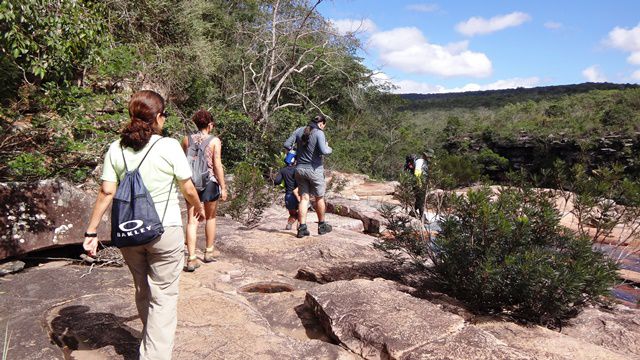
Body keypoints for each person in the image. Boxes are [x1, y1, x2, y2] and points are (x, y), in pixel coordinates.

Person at [83, 90, 205, 360]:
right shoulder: (169, 146)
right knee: (163, 296)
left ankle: (151, 342)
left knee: (142, 289)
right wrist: (197, 207)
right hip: (165, 231)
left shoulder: (116, 149)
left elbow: (106, 193)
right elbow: (187, 186)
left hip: (129, 233)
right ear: (159, 118)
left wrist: (91, 232)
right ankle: (153, 355)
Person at [181, 109, 228, 272]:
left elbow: (183, 162)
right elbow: (217, 165)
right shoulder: (214, 141)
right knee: (210, 217)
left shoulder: (186, 140)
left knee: (191, 221)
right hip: (210, 182)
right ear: (209, 125)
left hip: (191, 184)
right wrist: (223, 187)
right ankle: (208, 251)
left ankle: (191, 258)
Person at [284, 114, 332, 238]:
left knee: (304, 198)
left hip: (299, 169)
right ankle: (322, 226)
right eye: (324, 126)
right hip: (315, 170)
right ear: (321, 124)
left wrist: (295, 152)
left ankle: (302, 228)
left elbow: (286, 144)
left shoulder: (299, 130)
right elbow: (323, 151)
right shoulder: (319, 133)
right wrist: (329, 147)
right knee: (319, 198)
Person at [274, 156, 301, 230]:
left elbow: (277, 181)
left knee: (293, 213)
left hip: (288, 196)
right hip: (298, 194)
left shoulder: (283, 170)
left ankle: (289, 224)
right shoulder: (297, 169)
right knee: (301, 212)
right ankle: (300, 227)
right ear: (294, 161)